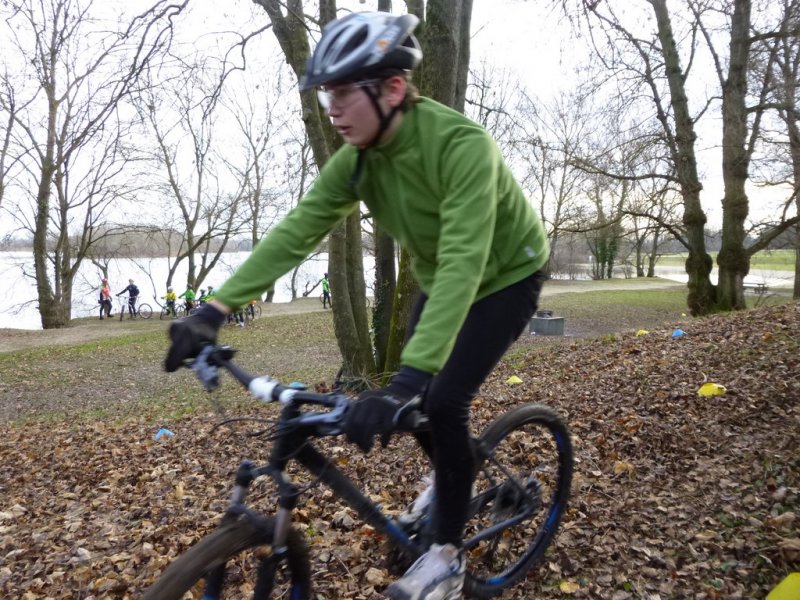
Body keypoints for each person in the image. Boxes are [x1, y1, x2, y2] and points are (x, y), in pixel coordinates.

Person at [164, 12, 548, 600]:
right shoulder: (359, 161)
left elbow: (466, 262)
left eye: (344, 92)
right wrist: (213, 311)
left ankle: (446, 559)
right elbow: (296, 232)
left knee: (439, 398)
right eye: (327, 96)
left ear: (393, 88)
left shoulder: (462, 146)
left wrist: (405, 383)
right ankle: (455, 472)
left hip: (505, 278)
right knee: (423, 405)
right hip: (442, 280)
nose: (333, 108)